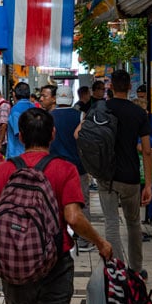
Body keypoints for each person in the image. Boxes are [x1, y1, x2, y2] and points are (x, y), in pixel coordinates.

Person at [0, 108, 112, 304]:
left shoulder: (4, 170)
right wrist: (100, 242)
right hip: (55, 263)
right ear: (53, 134)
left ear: (22, 136)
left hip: (14, 263)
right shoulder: (65, 169)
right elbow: (73, 217)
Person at [93, 69, 152, 280]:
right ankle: (136, 269)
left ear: (110, 87)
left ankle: (116, 268)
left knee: (111, 222)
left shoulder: (101, 109)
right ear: (129, 87)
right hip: (131, 177)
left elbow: (78, 133)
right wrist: (149, 185)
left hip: (106, 177)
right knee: (133, 223)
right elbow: (146, 150)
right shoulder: (138, 113)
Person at [50, 85, 93, 252]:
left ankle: (57, 237)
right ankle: (84, 240)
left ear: (57, 99)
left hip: (55, 168)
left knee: (56, 203)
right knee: (83, 203)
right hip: (78, 167)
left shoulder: (49, 117)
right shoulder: (80, 115)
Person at [6, 81, 34, 158]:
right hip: (33, 154)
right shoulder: (34, 108)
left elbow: (18, 132)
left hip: (17, 155)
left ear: (14, 94)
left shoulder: (15, 110)